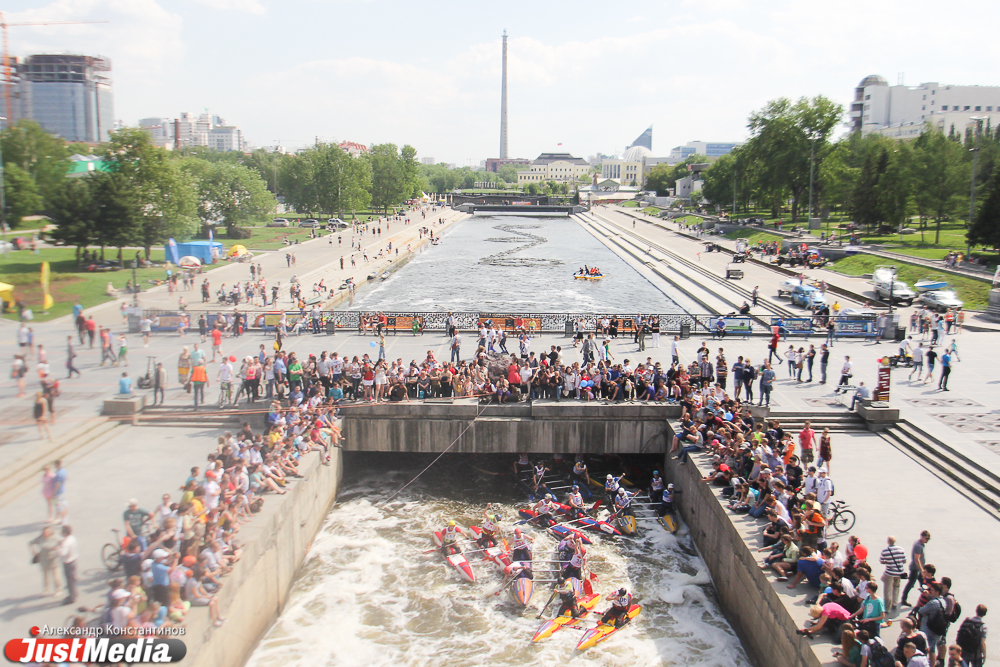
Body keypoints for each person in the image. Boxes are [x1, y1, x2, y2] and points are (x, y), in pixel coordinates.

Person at [29, 525, 62, 598]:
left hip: (54, 560)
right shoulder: (40, 538)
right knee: (45, 576)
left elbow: (63, 542)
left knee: (56, 577)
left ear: (50, 532)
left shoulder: (55, 537)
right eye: (44, 532)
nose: (45, 533)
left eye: (47, 532)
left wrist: (59, 550)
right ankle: (46, 589)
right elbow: (30, 543)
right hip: (43, 560)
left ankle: (58, 590)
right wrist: (34, 553)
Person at [901, 530, 931, 606]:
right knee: (911, 583)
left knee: (923, 584)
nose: (927, 540)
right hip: (916, 569)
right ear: (922, 537)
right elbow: (917, 559)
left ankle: (926, 597)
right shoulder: (918, 546)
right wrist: (922, 571)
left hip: (918, 569)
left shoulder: (920, 544)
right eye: (926, 538)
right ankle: (904, 599)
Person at [879, 535, 907, 611]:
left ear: (888, 541)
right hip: (899, 572)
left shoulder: (885, 551)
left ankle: (887, 607)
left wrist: (887, 561)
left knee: (887, 590)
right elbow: (904, 561)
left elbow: (881, 561)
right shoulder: (901, 549)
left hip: (889, 573)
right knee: (896, 587)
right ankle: (894, 603)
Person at [57, 525, 78, 605]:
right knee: (73, 579)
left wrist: (57, 549)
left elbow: (62, 553)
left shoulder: (65, 542)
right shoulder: (72, 538)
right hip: (73, 560)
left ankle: (72, 597)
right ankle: (75, 594)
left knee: (70, 581)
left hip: (68, 562)